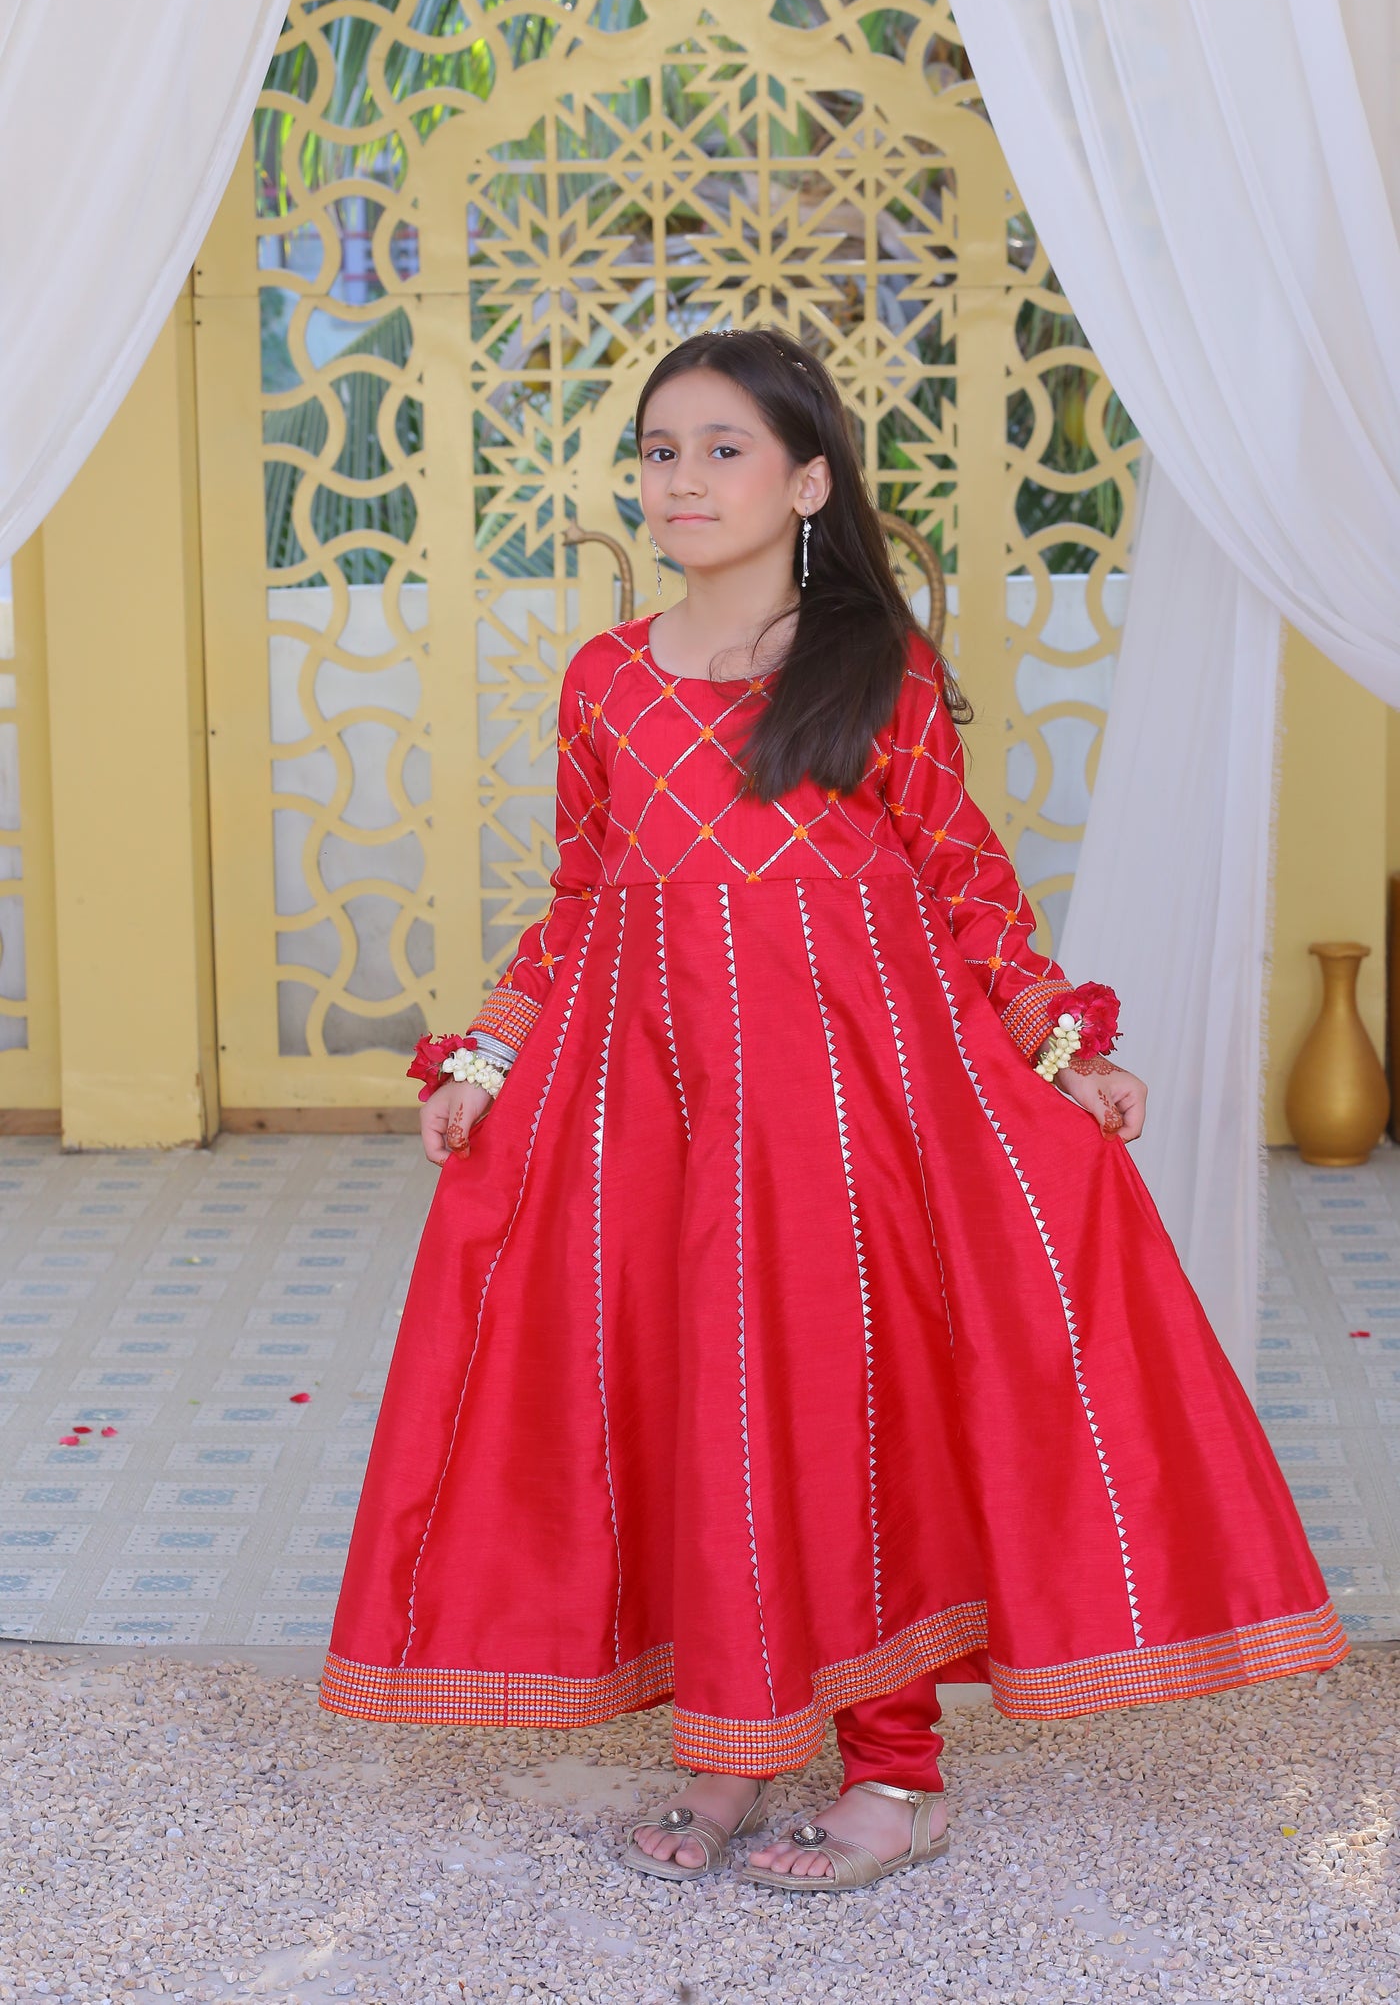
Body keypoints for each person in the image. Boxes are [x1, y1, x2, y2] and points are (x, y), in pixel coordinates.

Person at [319, 327, 1345, 1894]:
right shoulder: (606, 682)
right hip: (664, 1116)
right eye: (662, 448)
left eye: (724, 449)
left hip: (860, 1116)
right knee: (702, 1406)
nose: (683, 478)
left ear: (807, 481)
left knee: (850, 1411)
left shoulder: (876, 671)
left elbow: (966, 887)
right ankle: (729, 1754)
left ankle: (898, 1771)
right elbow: (584, 897)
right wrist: (489, 1062)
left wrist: (1059, 1048)